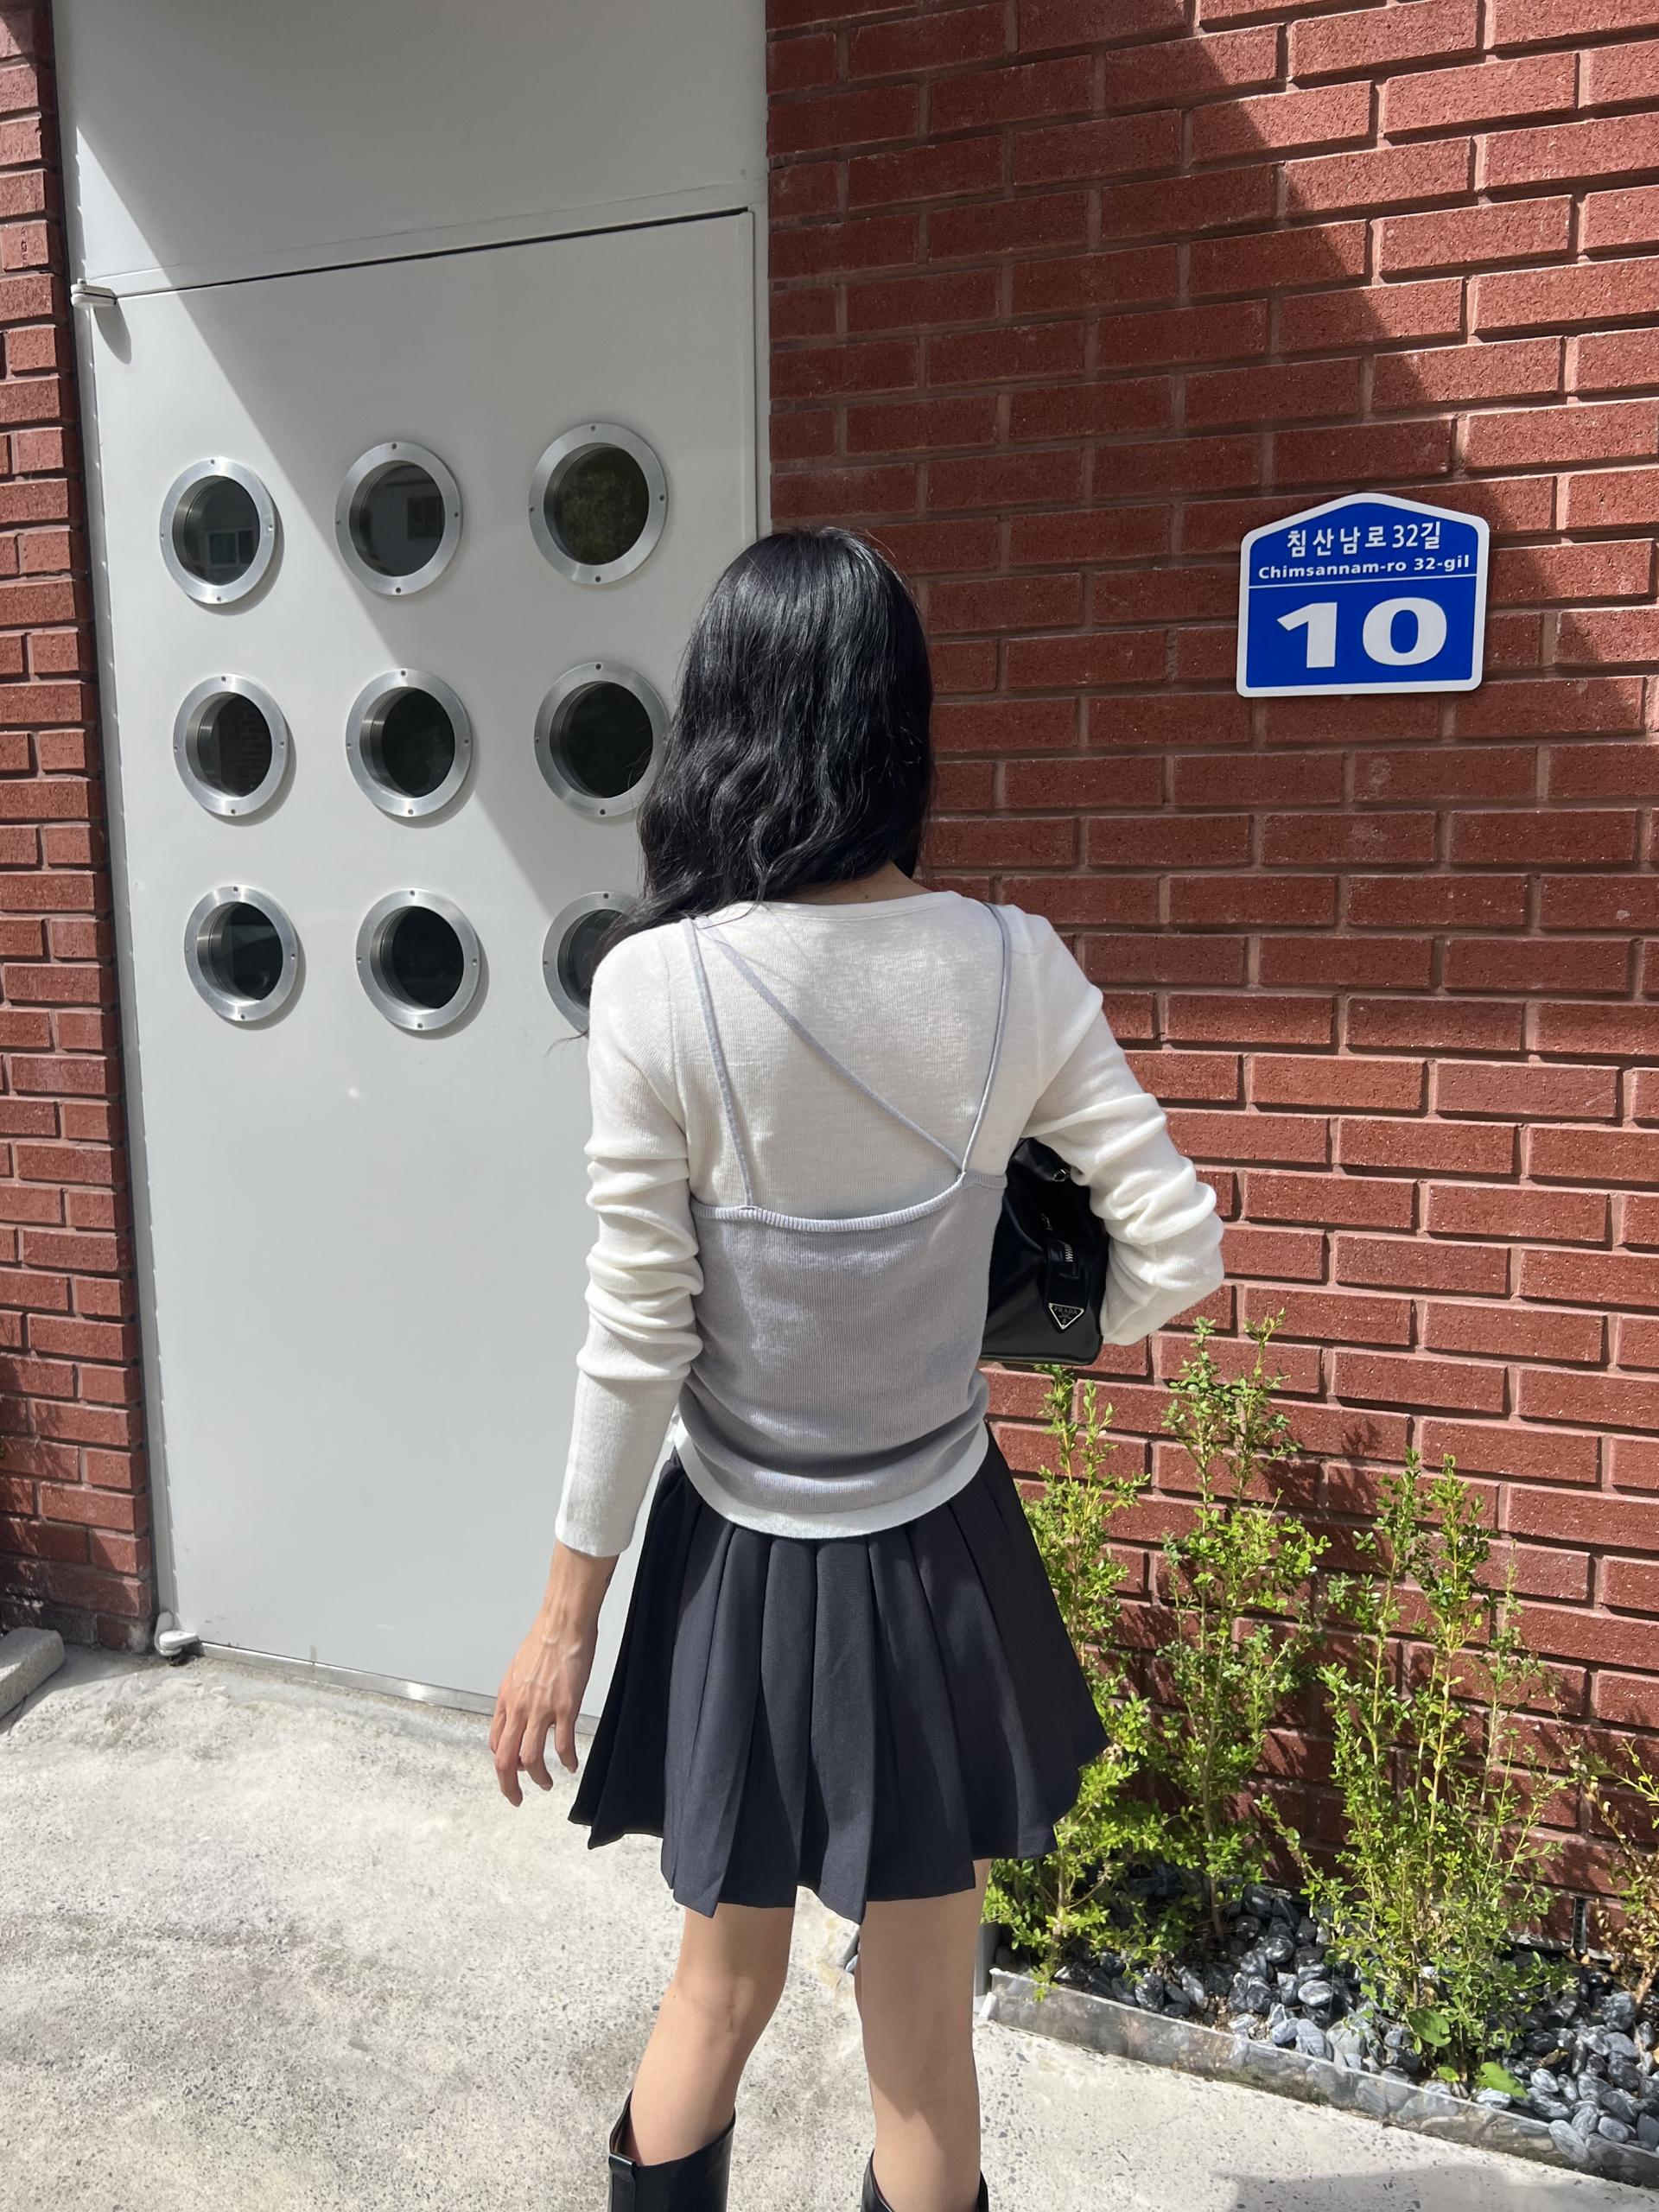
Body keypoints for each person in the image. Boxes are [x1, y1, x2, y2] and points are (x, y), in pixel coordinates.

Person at [489, 527, 1225, 2212]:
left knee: (716, 1992)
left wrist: (565, 1615)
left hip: (738, 1561)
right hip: (937, 1556)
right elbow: (1178, 1247)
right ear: (900, 722)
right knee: (923, 2045)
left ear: (721, 719)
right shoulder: (1014, 963)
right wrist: (989, 1320)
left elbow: (639, 1332)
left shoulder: (652, 986)